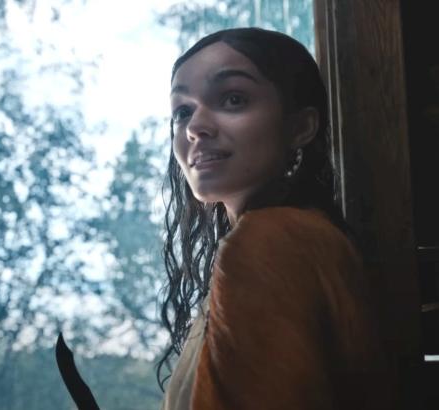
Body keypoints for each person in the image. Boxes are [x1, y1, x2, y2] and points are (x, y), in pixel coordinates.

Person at [157, 27, 390, 409]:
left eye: (232, 99)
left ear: (300, 127)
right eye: (182, 111)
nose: (195, 127)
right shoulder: (307, 235)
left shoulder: (268, 242)